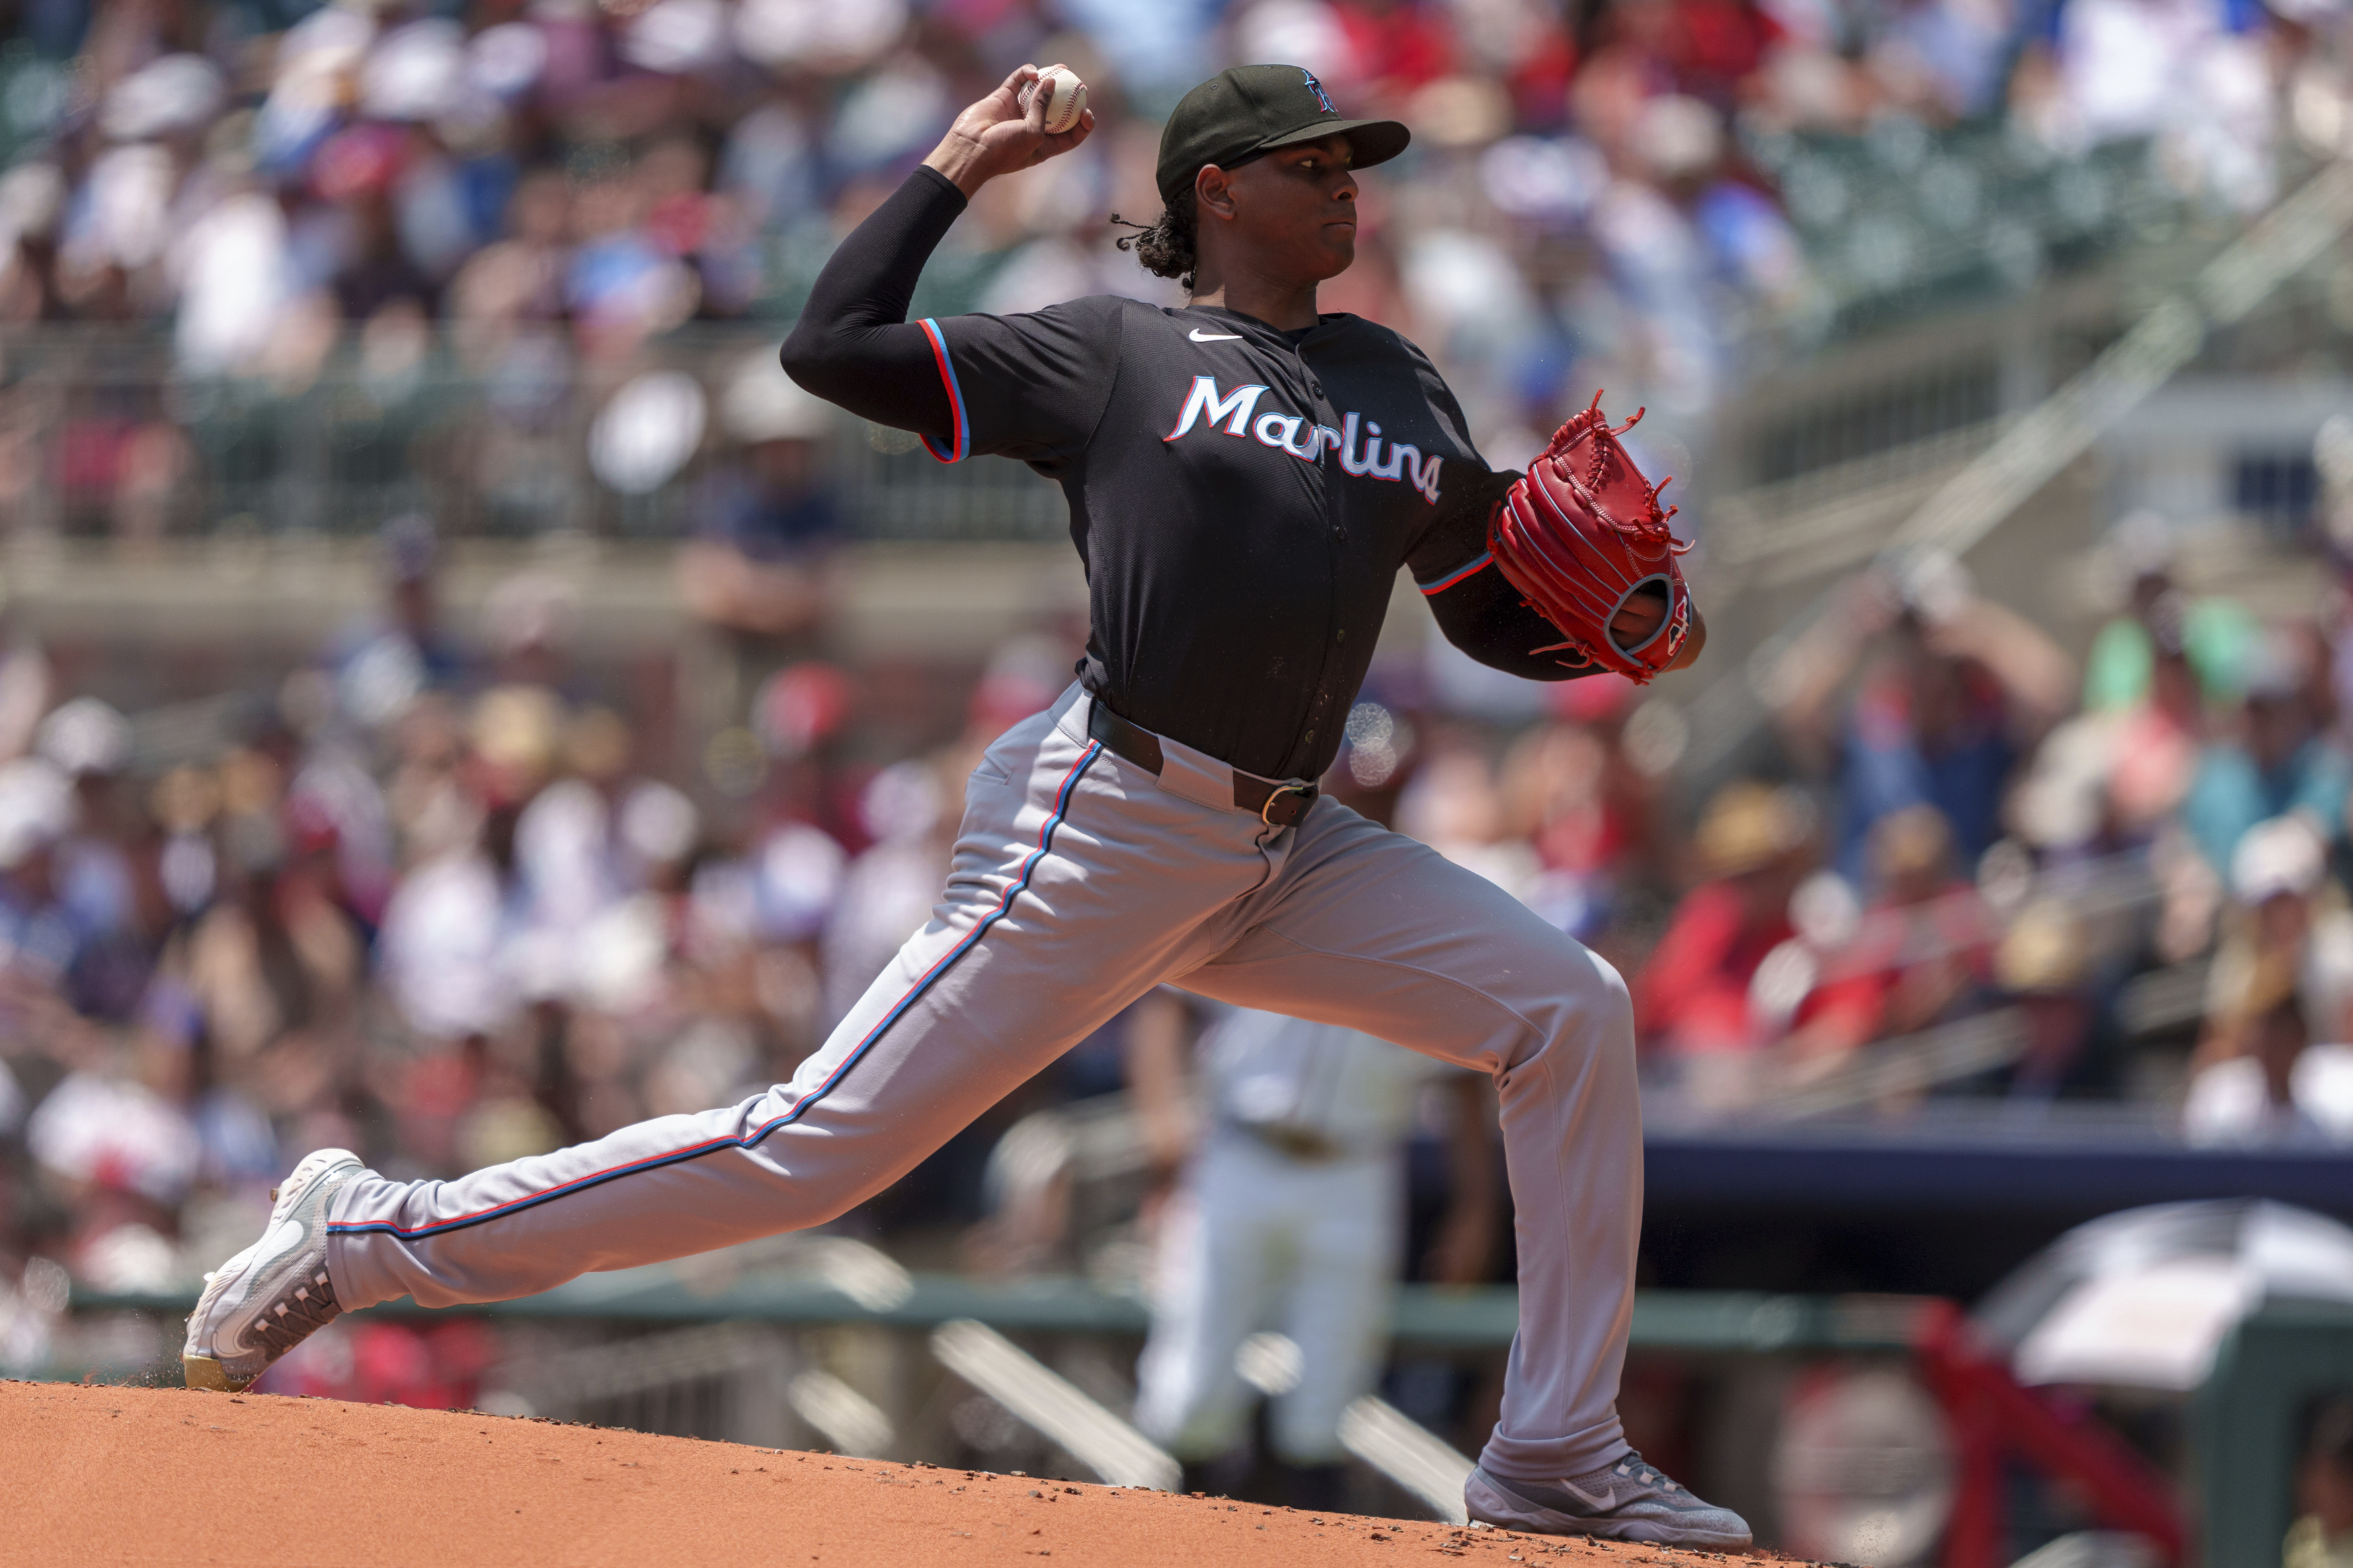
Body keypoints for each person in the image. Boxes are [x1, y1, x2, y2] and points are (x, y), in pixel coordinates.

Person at [182, 62, 1745, 1548]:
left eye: (1355, 166)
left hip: (1286, 844)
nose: (1351, 188)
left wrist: (1596, 636)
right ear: (1218, 192)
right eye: (1316, 164)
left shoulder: (1392, 376)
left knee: (1570, 1006)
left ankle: (1555, 1453)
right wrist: (958, 167)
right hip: (1109, 816)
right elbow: (832, 346)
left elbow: (1477, 598)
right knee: (814, 1147)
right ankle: (366, 1231)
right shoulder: (1118, 355)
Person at [1130, 1003, 1498, 1510]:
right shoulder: (1247, 918)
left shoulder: (1437, 926)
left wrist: (1475, 1205)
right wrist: (1161, 1129)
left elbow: (1462, 1073)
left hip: (1358, 1164)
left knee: (1327, 1397)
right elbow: (1166, 1002)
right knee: (1192, 1392)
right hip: (1239, 1151)